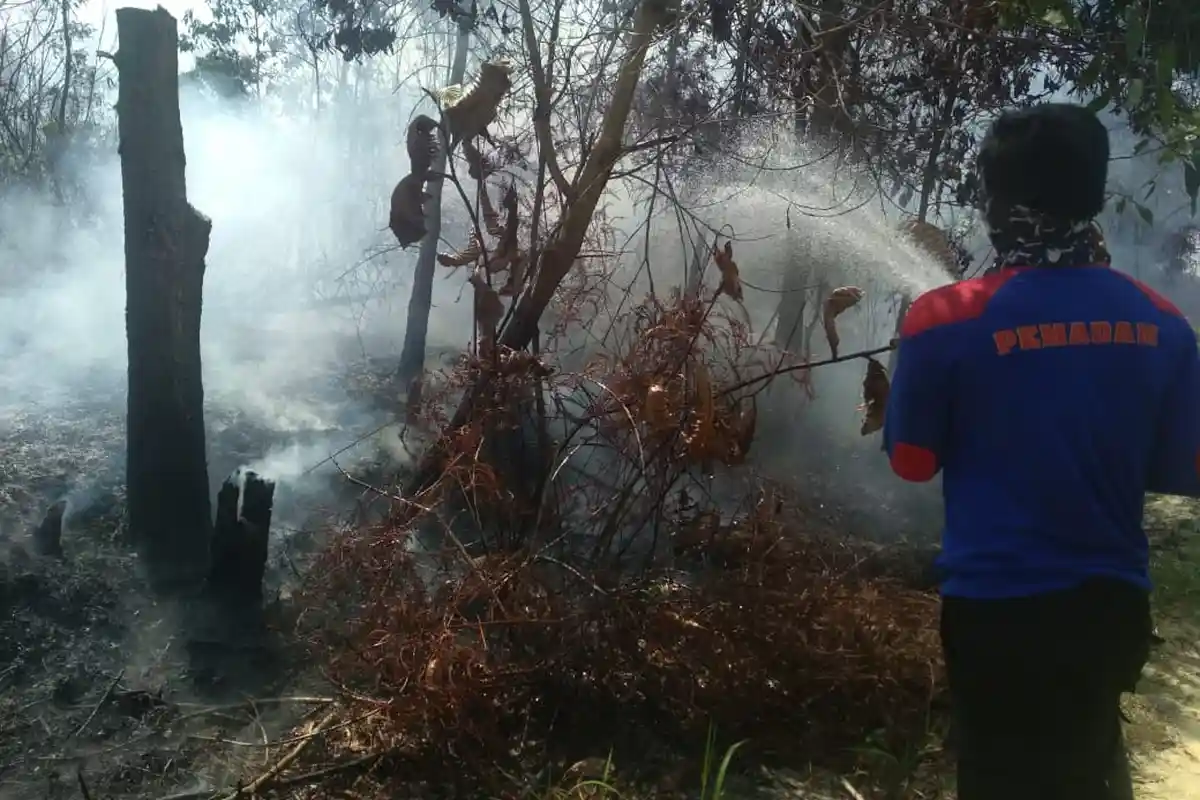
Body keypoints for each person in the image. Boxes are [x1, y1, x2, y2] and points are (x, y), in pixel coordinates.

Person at [883, 102, 1200, 800]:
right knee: (1090, 761)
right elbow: (1183, 470)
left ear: (997, 198)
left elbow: (910, 460)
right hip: (1110, 610)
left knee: (1000, 777)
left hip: (997, 615)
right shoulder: (1164, 321)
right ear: (1094, 192)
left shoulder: (944, 319)